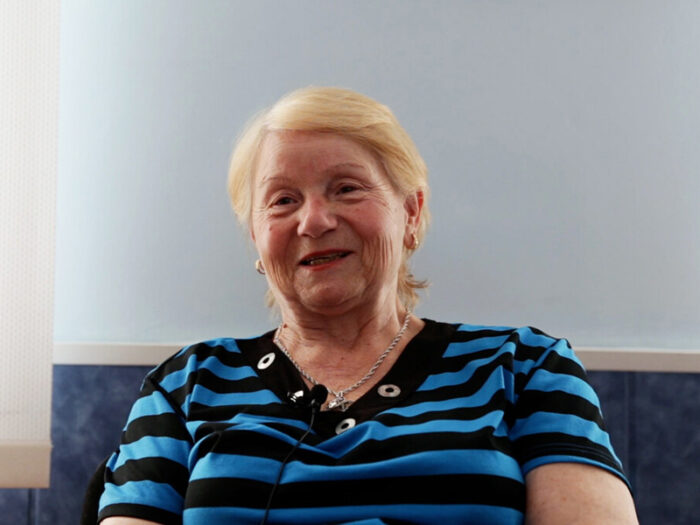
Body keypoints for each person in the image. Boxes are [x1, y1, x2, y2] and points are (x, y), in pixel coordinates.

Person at [98, 87, 638, 524]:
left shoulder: (527, 368)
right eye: (283, 200)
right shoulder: (184, 386)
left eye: (347, 189)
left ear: (410, 213)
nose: (313, 221)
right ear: (257, 239)